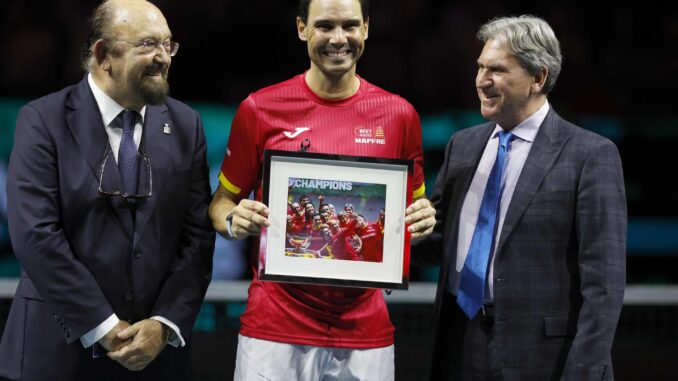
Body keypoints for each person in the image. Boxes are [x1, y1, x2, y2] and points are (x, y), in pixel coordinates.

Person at [208, 0, 435, 379]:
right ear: (301, 28)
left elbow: (416, 204)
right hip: (274, 328)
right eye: (325, 26)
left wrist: (424, 217)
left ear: (366, 28)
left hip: (365, 332)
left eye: (349, 25)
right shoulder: (259, 109)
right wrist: (232, 220)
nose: (338, 38)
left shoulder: (399, 116)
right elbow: (221, 203)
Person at [0, 0, 215, 379]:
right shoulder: (42, 120)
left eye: (169, 45)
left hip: (156, 358)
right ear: (103, 55)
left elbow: (196, 239)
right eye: (148, 45)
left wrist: (163, 324)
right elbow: (36, 235)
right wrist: (103, 326)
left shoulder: (187, 125)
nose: (163, 57)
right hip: (57, 354)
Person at [413, 15, 627, 380]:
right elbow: (437, 244)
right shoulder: (462, 147)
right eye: (480, 68)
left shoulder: (590, 155)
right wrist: (402, 231)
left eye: (496, 70)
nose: (482, 80)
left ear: (538, 77)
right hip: (458, 346)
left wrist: (584, 373)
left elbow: (604, 287)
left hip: (542, 358)